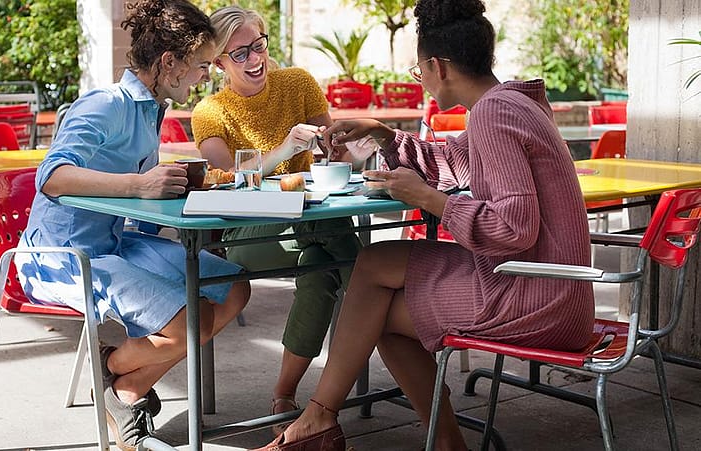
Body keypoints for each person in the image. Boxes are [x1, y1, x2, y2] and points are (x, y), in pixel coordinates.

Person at [250, 0, 595, 450]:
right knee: (374, 264)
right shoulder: (509, 105)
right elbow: (453, 162)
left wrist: (427, 199)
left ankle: (335, 425)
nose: (422, 79)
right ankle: (321, 421)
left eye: (418, 71)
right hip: (555, 287)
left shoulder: (494, 114)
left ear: (438, 66)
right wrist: (383, 133)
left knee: (378, 315)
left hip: (536, 294)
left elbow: (514, 228)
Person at [13, 1, 250, 449]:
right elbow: (52, 177)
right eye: (201, 66)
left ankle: (120, 384)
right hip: (63, 257)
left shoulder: (151, 108)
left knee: (235, 286)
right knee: (194, 323)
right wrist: (139, 186)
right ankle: (117, 375)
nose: (206, 76)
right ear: (169, 63)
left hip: (115, 242)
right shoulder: (104, 104)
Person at [190, 5, 370, 430]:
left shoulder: (299, 83)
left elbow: (333, 150)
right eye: (240, 54)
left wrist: (347, 150)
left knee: (321, 271)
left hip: (310, 230)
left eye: (258, 46)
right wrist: (285, 151)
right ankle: (374, 291)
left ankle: (284, 396)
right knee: (333, 238)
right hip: (244, 235)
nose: (255, 60)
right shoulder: (210, 112)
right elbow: (228, 184)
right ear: (218, 63)